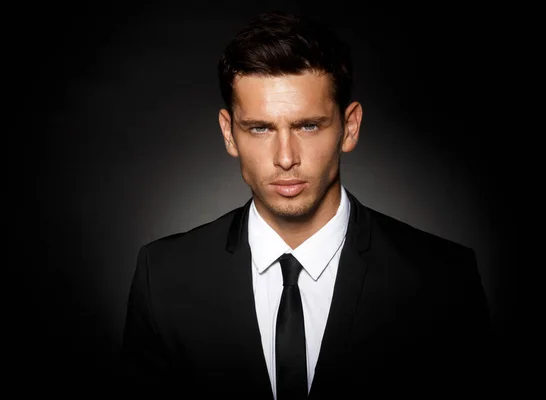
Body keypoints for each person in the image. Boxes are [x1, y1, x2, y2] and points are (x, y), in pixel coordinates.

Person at [120, 10, 495, 399]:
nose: (286, 158)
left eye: (308, 126)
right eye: (260, 128)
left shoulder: (442, 280)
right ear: (229, 134)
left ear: (349, 127)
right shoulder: (162, 277)